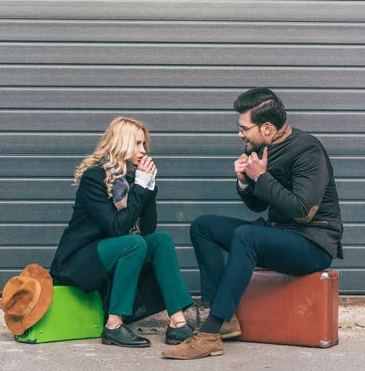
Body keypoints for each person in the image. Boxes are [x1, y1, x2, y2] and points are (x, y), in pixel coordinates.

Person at [163, 87, 344, 360]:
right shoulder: (264, 148)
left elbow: (303, 210)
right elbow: (260, 205)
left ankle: (210, 334)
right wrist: (245, 182)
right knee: (203, 226)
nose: (240, 134)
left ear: (267, 127)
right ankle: (223, 318)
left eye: (244, 128)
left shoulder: (307, 149)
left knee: (247, 236)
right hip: (279, 234)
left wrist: (261, 177)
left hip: (312, 243)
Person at [50, 116, 194, 348]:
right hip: (78, 261)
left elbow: (148, 230)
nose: (144, 150)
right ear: (121, 143)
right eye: (137, 143)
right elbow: (116, 226)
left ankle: (177, 324)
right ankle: (114, 326)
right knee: (133, 244)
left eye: (144, 144)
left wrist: (148, 188)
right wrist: (139, 187)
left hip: (112, 254)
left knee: (160, 240)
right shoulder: (94, 178)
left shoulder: (131, 178)